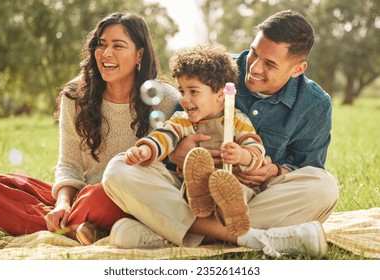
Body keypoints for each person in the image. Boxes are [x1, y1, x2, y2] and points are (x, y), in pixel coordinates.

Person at [102, 10, 339, 258]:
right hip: (190, 191)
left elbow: (307, 166)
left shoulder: (315, 105)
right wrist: (175, 153)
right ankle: (257, 238)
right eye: (254, 53)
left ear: (298, 68)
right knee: (118, 170)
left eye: (270, 64)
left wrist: (271, 170)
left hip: (253, 195)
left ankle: (166, 231)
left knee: (323, 188)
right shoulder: (213, 70)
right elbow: (174, 127)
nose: (255, 67)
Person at [0, 12, 179, 245]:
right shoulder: (76, 96)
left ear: (139, 54)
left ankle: (60, 225)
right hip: (83, 195)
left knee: (95, 197)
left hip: (131, 199)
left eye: (118, 46)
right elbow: (69, 164)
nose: (106, 53)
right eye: (101, 44)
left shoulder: (164, 98)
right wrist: (62, 203)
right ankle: (79, 226)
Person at [123, 43, 266, 237]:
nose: (184, 99)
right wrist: (147, 149)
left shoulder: (237, 121)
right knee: (183, 182)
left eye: (193, 91)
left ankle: (230, 214)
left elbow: (255, 147)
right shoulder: (182, 121)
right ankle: (201, 199)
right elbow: (165, 136)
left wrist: (242, 155)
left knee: (234, 189)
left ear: (220, 94)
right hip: (191, 190)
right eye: (182, 91)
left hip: (235, 184)